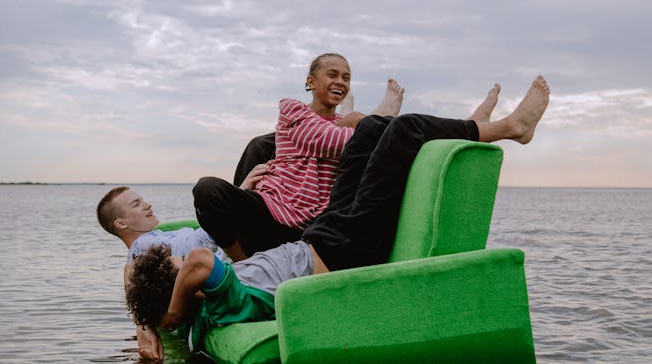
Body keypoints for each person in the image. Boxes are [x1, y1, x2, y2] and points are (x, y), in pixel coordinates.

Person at [126, 76, 551, 351]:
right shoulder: (219, 304)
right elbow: (198, 264)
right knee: (403, 130)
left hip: (321, 236)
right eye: (175, 266)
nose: (182, 261)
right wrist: (173, 310)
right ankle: (508, 130)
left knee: (369, 129)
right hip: (346, 250)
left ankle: (469, 124)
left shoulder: (202, 304)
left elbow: (152, 277)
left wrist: (151, 321)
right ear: (184, 294)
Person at [194, 53, 405, 261]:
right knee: (208, 189)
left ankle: (371, 115)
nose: (340, 82)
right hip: (271, 208)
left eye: (346, 78)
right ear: (311, 81)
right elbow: (330, 139)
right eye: (333, 75)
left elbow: (369, 147)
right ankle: (241, 263)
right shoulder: (292, 109)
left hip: (310, 226)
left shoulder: (349, 126)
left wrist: (356, 120)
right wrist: (366, 120)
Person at [96, 186, 229, 360]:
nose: (148, 205)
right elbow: (200, 244)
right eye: (137, 204)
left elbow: (130, 271)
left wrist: (141, 324)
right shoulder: (143, 245)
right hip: (225, 258)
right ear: (121, 223)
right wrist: (231, 201)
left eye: (143, 200)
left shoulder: (152, 242)